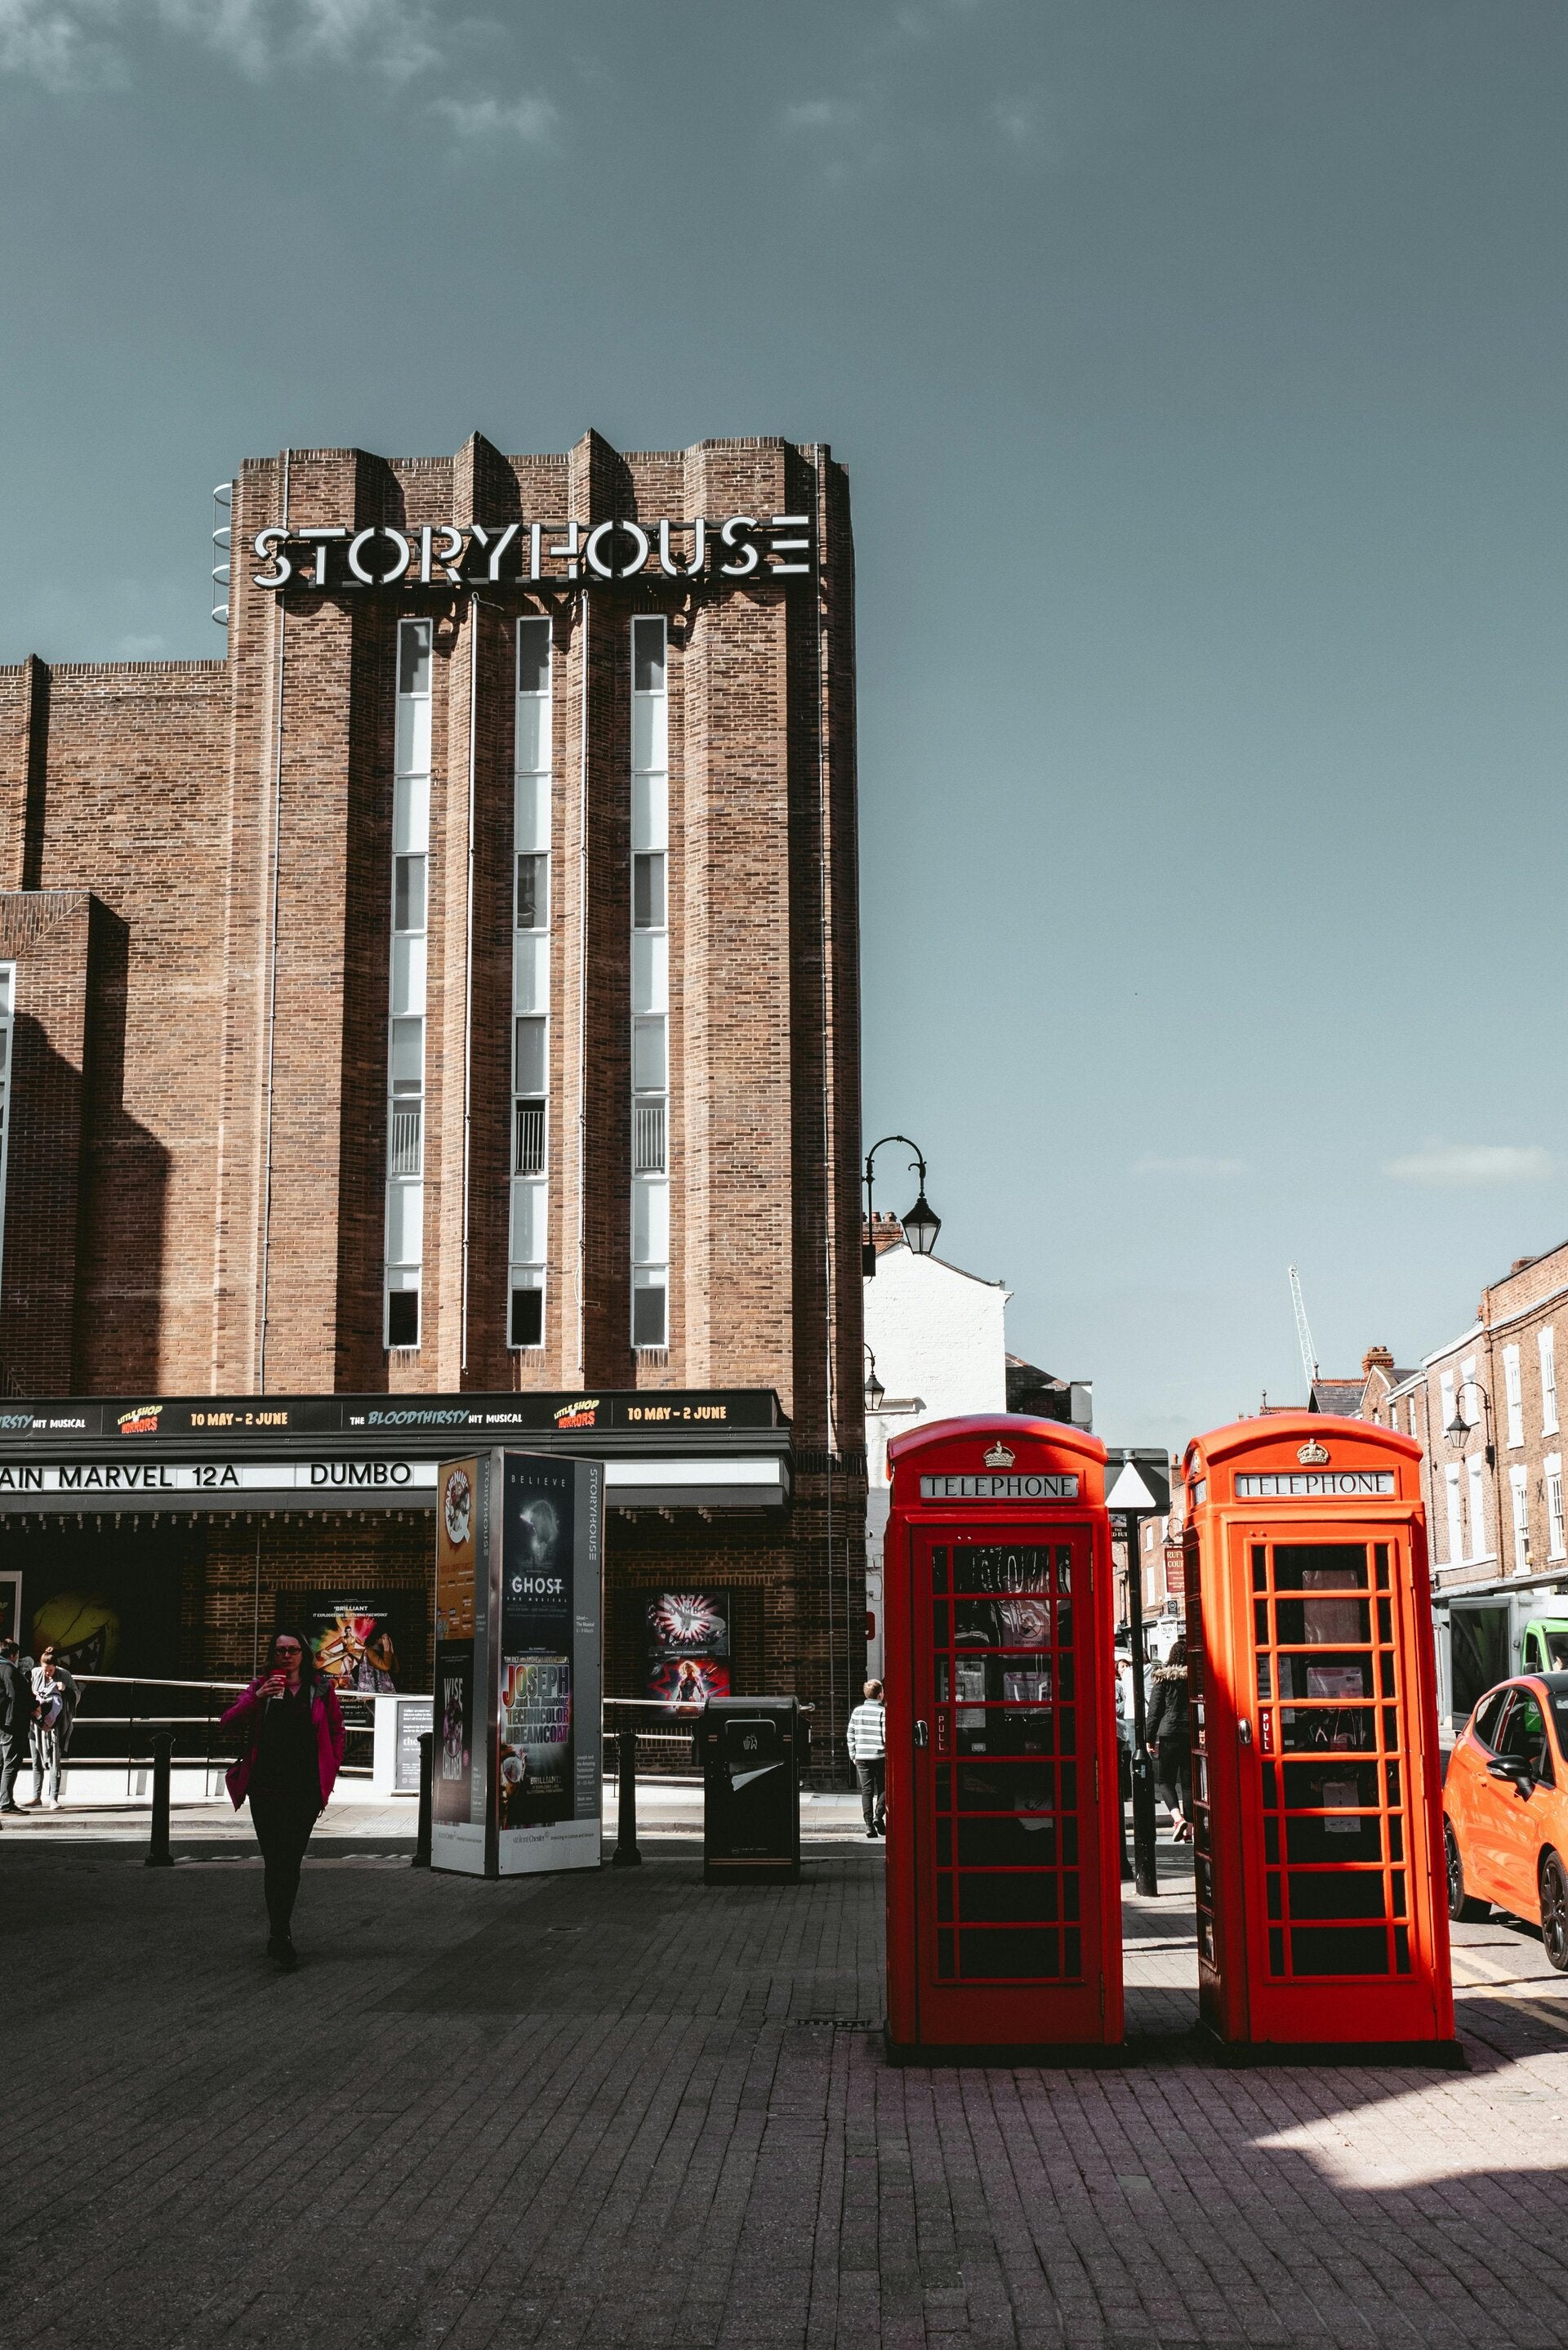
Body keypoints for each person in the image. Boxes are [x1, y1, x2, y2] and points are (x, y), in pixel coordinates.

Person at [221, 1630, 345, 1970]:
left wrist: (331, 1769)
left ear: (304, 1654)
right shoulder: (259, 1687)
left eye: (293, 1650)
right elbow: (227, 1723)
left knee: (290, 1862)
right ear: (272, 1655)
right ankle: (280, 1933)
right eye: (280, 1651)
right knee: (275, 1861)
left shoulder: (321, 1690)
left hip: (305, 1789)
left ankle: (280, 1931)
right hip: (266, 1788)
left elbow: (337, 1730)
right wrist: (257, 1697)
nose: (286, 1656)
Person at [1145, 1635, 1192, 1843]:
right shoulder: (1195, 1676)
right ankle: (1189, 1831)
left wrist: (1148, 1737)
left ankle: (1177, 1818)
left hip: (1169, 1733)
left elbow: (1154, 1711)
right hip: (1190, 1733)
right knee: (1189, 1785)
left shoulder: (1163, 1678)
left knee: (1165, 1781)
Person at [26, 1643, 78, 1810]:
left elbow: (76, 1694)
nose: (47, 1673)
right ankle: (36, 1796)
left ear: (56, 1666)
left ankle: (53, 1798)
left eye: (50, 1670)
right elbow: (27, 1693)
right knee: (36, 1761)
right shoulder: (35, 1673)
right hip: (36, 1724)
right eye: (45, 1669)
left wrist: (65, 1690)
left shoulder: (64, 1675)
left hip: (56, 1724)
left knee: (55, 1761)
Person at [846, 1677, 887, 1839]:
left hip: (862, 1757)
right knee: (884, 1788)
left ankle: (869, 1825)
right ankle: (878, 1815)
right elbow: (886, 1736)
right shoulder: (883, 1712)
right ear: (880, 1695)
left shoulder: (857, 1712)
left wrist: (853, 1755)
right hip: (880, 1756)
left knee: (866, 1791)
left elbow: (850, 1735)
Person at [0, 1636, 30, 1816]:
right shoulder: (8, 1669)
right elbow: (16, 1696)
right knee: (11, 1763)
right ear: (13, 1654)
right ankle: (5, 1803)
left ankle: (3, 1800)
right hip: (12, 1723)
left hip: (2, 1725)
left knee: (2, 1763)